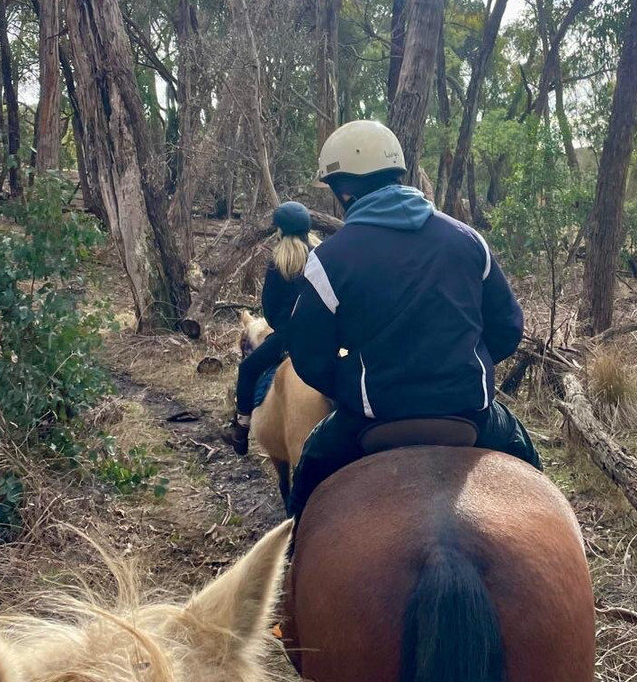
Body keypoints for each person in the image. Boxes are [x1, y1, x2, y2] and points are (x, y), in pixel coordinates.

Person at [285, 119, 541, 517]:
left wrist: (352, 383)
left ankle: (290, 559)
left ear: (344, 189)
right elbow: (508, 328)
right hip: (469, 412)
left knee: (308, 475)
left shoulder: (330, 259)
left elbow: (307, 356)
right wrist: (469, 364)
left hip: (372, 418)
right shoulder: (468, 240)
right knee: (532, 471)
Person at [223, 201, 320, 455]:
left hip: (289, 339)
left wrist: (282, 329)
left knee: (247, 369)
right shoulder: (323, 255)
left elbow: (270, 309)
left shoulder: (279, 261)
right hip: (325, 335)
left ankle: (241, 429)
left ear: (280, 231)